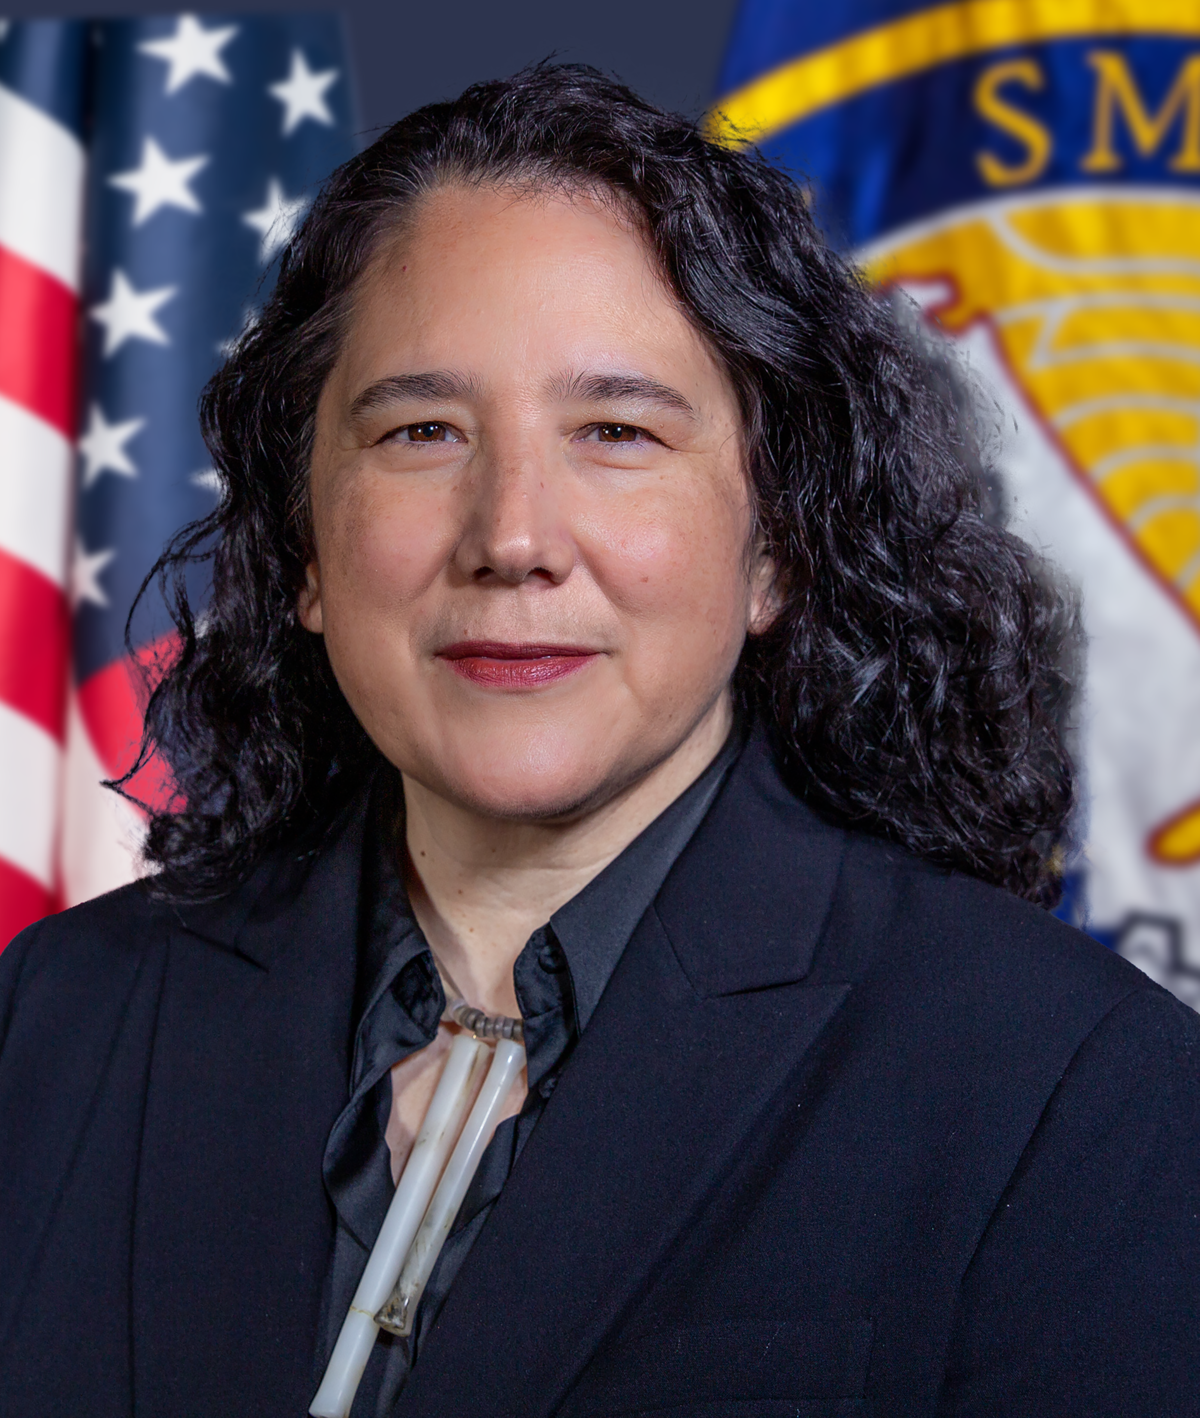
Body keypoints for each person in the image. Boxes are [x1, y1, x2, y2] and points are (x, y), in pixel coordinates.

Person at [1, 63, 1197, 1418]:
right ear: (306, 550)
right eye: (422, 430)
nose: (512, 535)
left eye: (617, 432)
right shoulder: (51, 1024)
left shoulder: (1069, 1093)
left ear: (777, 551)